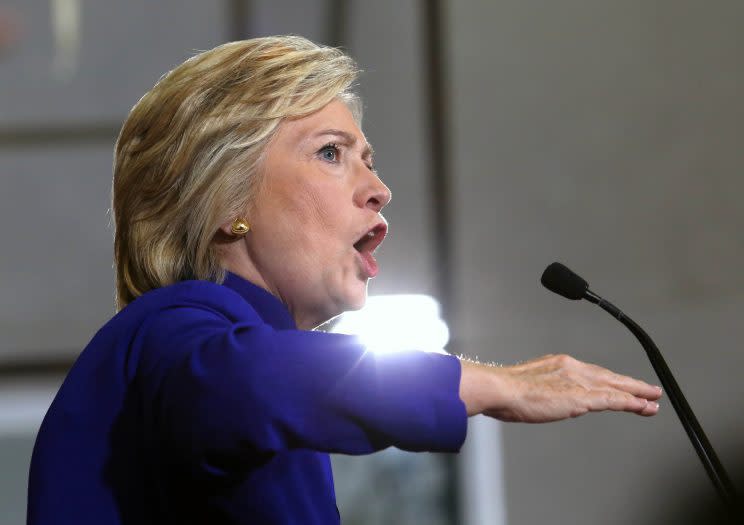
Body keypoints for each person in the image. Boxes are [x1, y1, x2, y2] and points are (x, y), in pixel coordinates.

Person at [27, 36, 662, 524]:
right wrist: (491, 383)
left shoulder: (268, 376)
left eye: (369, 161)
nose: (380, 190)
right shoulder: (170, 328)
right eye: (330, 152)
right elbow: (247, 383)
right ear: (224, 201)